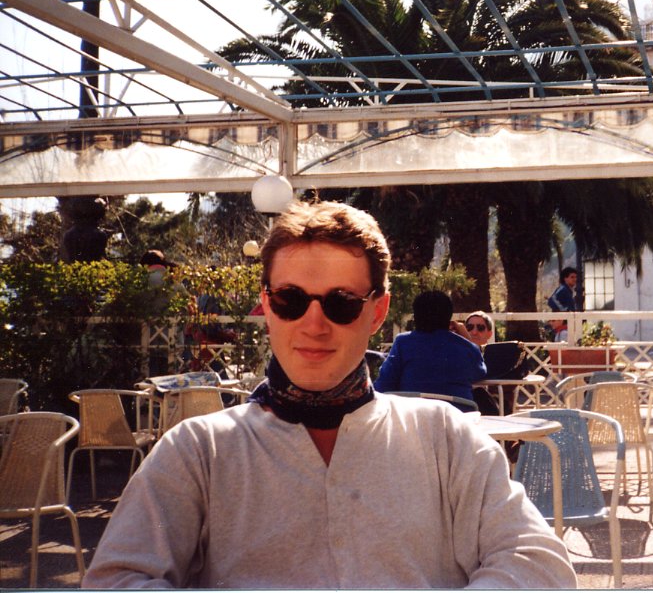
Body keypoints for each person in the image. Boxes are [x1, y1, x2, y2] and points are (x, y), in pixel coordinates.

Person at [83, 201, 576, 589]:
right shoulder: (199, 451)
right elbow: (118, 579)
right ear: (267, 306)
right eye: (291, 300)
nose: (313, 324)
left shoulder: (444, 436)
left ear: (377, 312)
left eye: (341, 303)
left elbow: (538, 564)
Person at [373, 290, 487, 408]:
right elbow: (480, 373)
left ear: (416, 317)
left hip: (413, 415)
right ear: (448, 318)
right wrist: (467, 338)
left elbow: (383, 385)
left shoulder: (403, 342)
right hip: (458, 415)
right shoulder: (465, 347)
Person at [547, 266, 579, 342]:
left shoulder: (568, 290)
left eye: (575, 277)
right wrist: (565, 311)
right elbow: (552, 300)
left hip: (567, 324)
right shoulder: (563, 289)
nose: (575, 279)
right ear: (565, 278)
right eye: (572, 277)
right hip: (562, 326)